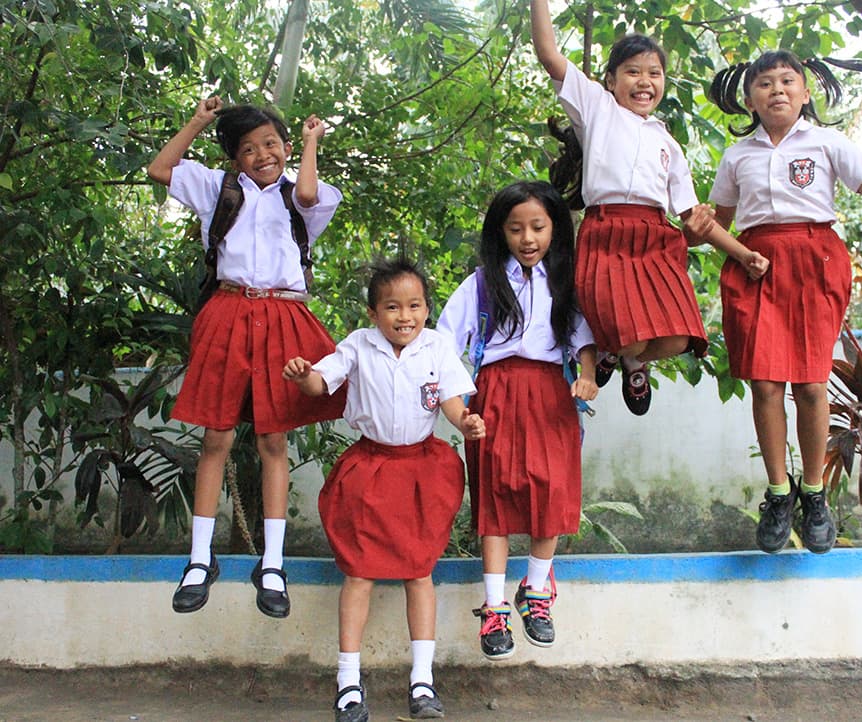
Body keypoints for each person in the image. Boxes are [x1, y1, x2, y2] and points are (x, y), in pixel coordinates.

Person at [148, 98, 346, 617]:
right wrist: (197, 121)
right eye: (249, 148)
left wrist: (307, 141)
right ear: (234, 158)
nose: (263, 154)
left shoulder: (310, 195)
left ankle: (273, 563)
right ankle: (199, 559)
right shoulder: (219, 188)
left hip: (283, 316)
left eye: (271, 144)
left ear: (286, 146)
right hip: (229, 311)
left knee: (272, 439)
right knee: (216, 436)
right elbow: (160, 169)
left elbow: (303, 191)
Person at [705, 49, 862, 554]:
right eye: (765, 83)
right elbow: (717, 226)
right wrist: (692, 229)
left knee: (812, 385)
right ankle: (778, 493)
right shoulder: (738, 156)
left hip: (815, 263)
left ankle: (813, 495)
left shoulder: (827, 142)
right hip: (755, 264)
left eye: (787, 81)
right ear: (750, 98)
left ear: (805, 92)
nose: (777, 91)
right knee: (766, 385)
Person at [283, 258, 486, 722]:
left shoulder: (437, 347)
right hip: (370, 472)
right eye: (392, 307)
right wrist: (303, 377)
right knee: (359, 573)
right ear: (373, 313)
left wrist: (466, 422)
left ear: (427, 310)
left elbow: (452, 400)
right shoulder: (357, 345)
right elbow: (321, 381)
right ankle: (348, 684)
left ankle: (422, 683)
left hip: (422, 473)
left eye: (414, 305)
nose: (404, 316)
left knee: (419, 572)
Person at [530, 0, 743, 415]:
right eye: (633, 71)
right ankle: (620, 352)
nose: (644, 81)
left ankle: (628, 360)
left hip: (654, 241)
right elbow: (548, 54)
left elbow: (694, 218)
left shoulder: (669, 143)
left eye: (654, 73)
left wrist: (743, 253)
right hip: (606, 235)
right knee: (628, 334)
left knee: (679, 339)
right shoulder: (597, 109)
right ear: (610, 81)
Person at [436, 180, 598, 661]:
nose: (528, 238)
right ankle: (493, 607)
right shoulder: (482, 283)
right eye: (515, 229)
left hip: (551, 393)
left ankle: (536, 591)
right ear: (499, 233)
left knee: (551, 490)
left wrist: (587, 375)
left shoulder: (566, 282)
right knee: (497, 493)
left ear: (555, 229)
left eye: (538, 227)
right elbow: (445, 346)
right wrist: (459, 404)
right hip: (495, 394)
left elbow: (583, 339)